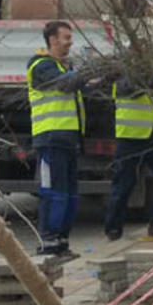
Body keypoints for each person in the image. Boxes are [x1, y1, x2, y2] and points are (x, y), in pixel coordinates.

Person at [26, 20, 91, 258]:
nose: (70, 42)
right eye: (66, 38)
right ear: (52, 40)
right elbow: (66, 85)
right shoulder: (41, 66)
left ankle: (62, 242)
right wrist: (89, 70)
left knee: (70, 194)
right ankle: (49, 242)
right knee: (54, 192)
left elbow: (77, 84)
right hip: (50, 139)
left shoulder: (63, 68)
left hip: (68, 139)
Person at [104, 65, 153, 242]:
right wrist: (151, 78)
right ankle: (113, 229)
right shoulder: (124, 71)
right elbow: (129, 89)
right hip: (129, 136)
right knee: (123, 185)